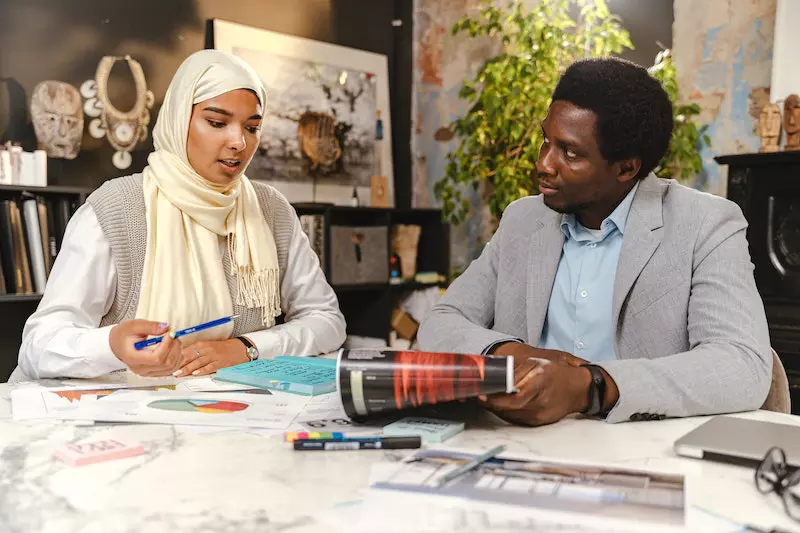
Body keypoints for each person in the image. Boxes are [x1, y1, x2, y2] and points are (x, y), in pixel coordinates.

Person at [417, 57, 772, 425]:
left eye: (570, 153)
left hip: (643, 452)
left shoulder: (705, 224)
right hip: (524, 446)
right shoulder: (523, 220)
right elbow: (441, 322)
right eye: (545, 141)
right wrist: (513, 353)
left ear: (626, 168)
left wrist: (590, 386)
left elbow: (742, 364)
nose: (544, 164)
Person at [13, 50, 346, 381]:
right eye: (217, 122)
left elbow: (327, 320)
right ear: (178, 119)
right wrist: (112, 345)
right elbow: (38, 346)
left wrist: (246, 347)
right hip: (122, 419)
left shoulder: (271, 210)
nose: (239, 142)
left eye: (252, 127)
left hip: (225, 418)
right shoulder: (117, 208)